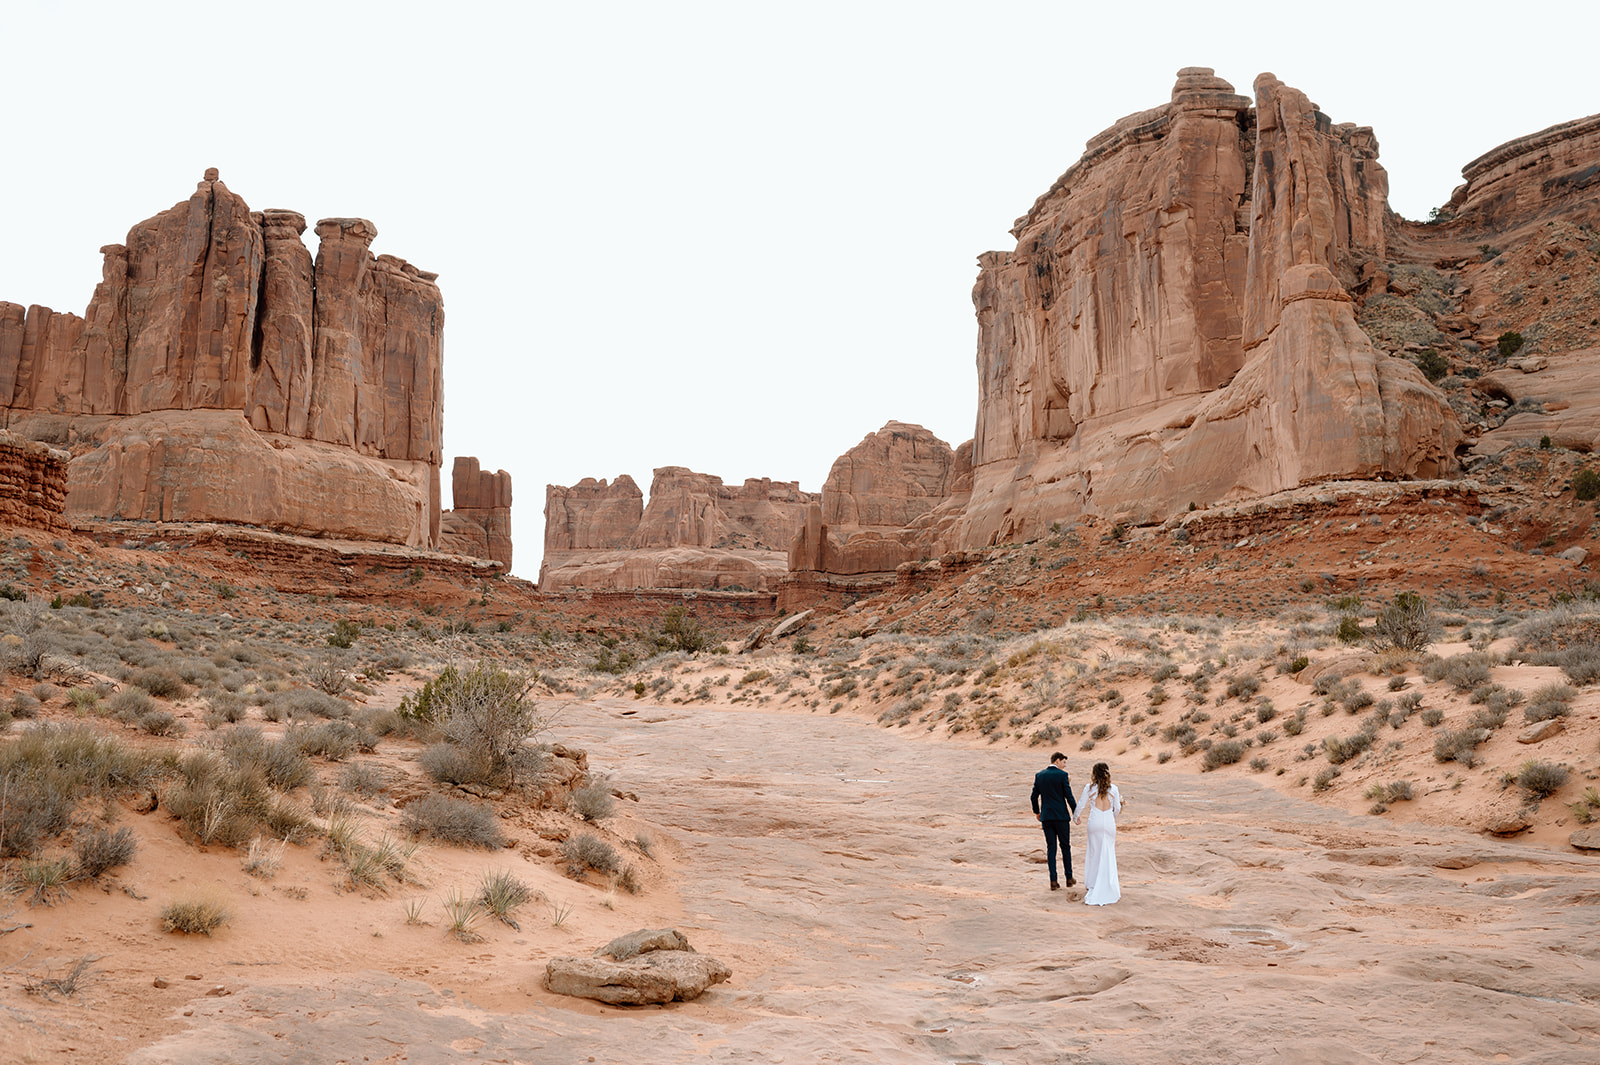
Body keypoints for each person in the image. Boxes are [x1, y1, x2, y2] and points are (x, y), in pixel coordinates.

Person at [1073, 761, 1122, 905]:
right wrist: (1112, 818)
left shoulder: (1089, 788)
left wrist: (1075, 817)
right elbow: (1117, 808)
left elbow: (1081, 804)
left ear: (1094, 773)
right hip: (1108, 821)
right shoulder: (1114, 789)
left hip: (1094, 822)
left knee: (1094, 852)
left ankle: (1093, 883)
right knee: (1108, 852)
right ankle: (1109, 885)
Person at [1030, 751, 1077, 890]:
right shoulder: (1063, 775)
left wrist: (1037, 812)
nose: (1065, 765)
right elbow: (1069, 796)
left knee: (1051, 848)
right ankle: (1069, 878)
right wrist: (1076, 813)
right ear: (1057, 761)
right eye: (1063, 762)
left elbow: (1033, 797)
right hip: (1061, 817)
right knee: (1065, 846)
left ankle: (1053, 881)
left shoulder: (1039, 775)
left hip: (1046, 817)